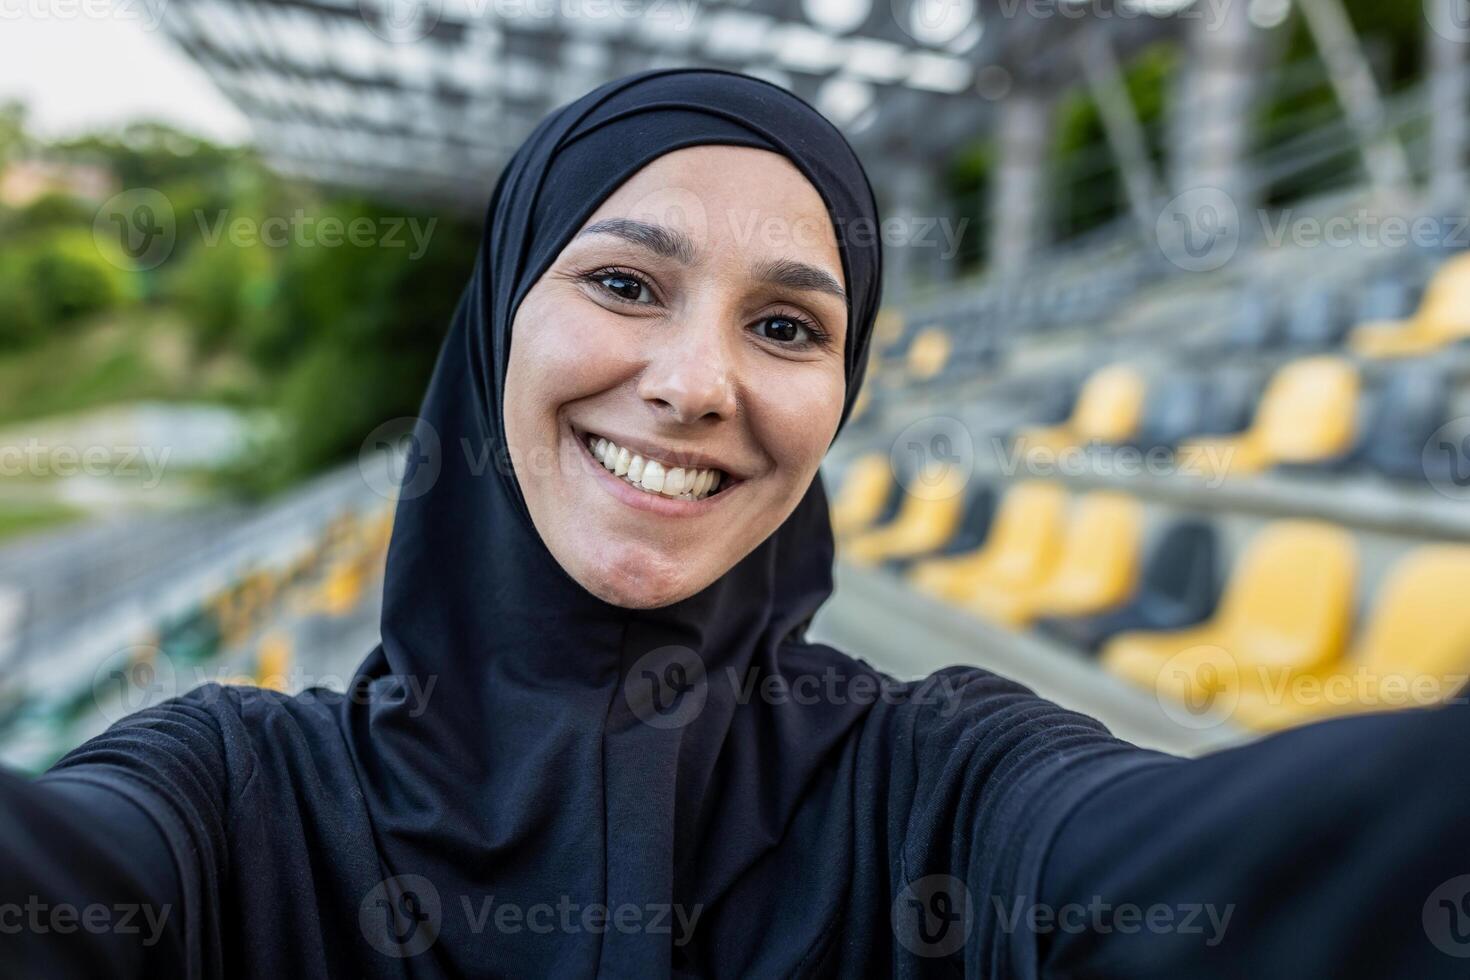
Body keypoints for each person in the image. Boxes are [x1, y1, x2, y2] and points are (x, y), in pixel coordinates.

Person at [3, 66, 1469, 979]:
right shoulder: (229, 806)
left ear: (840, 393)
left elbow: (1258, 867)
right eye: (625, 284)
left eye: (784, 324)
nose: (697, 383)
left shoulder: (940, 794)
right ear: (498, 321)